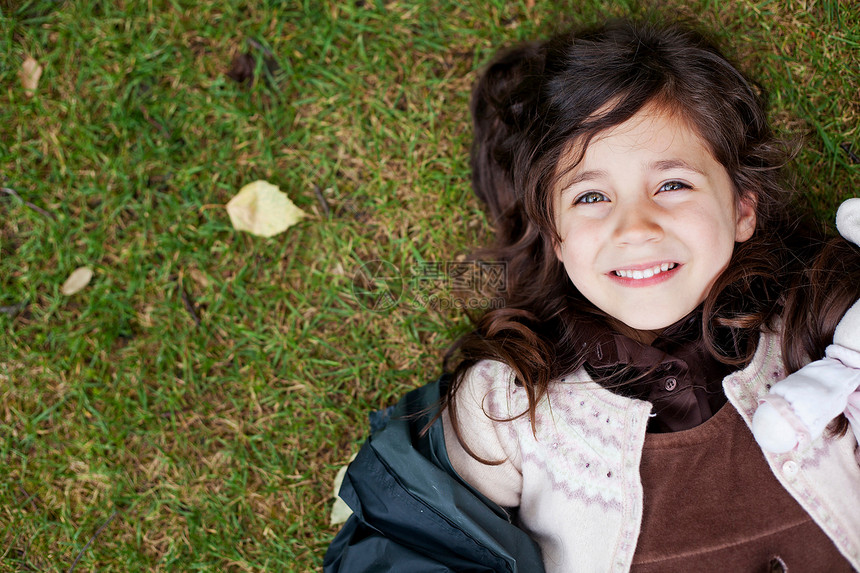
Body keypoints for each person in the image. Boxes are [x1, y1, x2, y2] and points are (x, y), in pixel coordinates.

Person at [325, 18, 860, 572]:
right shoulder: (507, 403)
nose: (635, 227)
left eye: (672, 185)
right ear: (554, 234)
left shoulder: (822, 331)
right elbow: (409, 539)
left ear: (743, 207)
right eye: (591, 196)